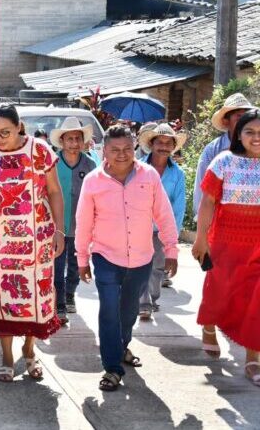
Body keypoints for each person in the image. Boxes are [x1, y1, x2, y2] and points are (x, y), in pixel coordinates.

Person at [0, 104, 65, 383]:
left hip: (37, 241)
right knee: (1, 299)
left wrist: (59, 230)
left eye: (5, 132)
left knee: (35, 297)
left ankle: (29, 350)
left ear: (19, 127)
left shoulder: (40, 151)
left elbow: (54, 191)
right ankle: (6, 357)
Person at [75, 125, 179, 392]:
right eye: (115, 150)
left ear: (135, 148)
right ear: (104, 151)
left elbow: (164, 214)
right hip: (106, 256)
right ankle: (112, 367)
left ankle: (121, 347)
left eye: (127, 149)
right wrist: (82, 258)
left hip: (142, 258)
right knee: (109, 310)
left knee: (129, 310)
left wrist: (171, 250)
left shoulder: (149, 176)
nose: (122, 154)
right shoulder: (93, 181)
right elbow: (83, 222)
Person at [193, 109, 260, 387]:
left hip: (258, 242)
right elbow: (208, 202)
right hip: (225, 239)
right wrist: (201, 238)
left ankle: (253, 355)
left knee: (256, 298)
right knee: (220, 289)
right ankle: (209, 326)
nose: (256, 138)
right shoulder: (224, 161)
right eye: (250, 132)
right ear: (238, 134)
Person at [49, 117, 97, 324]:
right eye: (70, 139)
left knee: (77, 264)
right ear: (62, 141)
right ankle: (59, 304)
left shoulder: (90, 164)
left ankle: (69, 295)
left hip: (81, 226)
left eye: (78, 138)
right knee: (57, 266)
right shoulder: (52, 163)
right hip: (56, 226)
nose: (74, 143)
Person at [137, 124, 187, 320]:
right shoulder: (138, 167)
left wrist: (172, 235)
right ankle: (144, 303)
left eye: (168, 143)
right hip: (139, 227)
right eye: (160, 142)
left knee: (158, 267)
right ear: (152, 144)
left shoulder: (177, 174)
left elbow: (179, 206)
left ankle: (153, 297)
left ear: (173, 147)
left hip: (162, 230)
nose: (164, 147)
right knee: (141, 265)